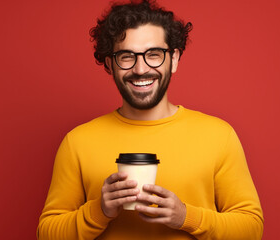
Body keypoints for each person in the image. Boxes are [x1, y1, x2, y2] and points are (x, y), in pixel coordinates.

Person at [37, 0, 264, 239]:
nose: (141, 68)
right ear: (110, 64)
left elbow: (251, 229)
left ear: (173, 59)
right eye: (126, 56)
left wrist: (186, 217)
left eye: (153, 54)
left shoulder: (219, 136)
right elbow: (47, 234)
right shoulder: (77, 142)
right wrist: (99, 210)